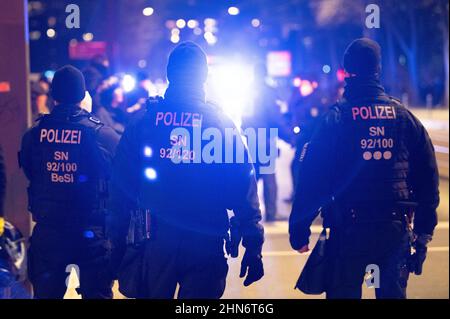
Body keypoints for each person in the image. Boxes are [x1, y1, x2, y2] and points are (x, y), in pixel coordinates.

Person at [108, 42, 264, 299]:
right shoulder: (220, 123)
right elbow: (243, 185)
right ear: (203, 76)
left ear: (170, 74)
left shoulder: (144, 123)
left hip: (155, 241)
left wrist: (114, 248)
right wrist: (253, 244)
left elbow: (120, 191)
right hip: (206, 239)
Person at [289, 38, 440, 299]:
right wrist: (424, 233)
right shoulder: (403, 117)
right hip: (395, 229)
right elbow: (428, 176)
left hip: (348, 230)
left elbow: (312, 177)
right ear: (378, 70)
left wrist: (299, 229)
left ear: (347, 70)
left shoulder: (336, 118)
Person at [19, 65, 120, 299]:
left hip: (49, 233)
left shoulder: (34, 134)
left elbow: (30, 170)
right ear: (82, 95)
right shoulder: (101, 134)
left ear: (53, 95)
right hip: (91, 234)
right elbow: (120, 175)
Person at [241, 63, 292, 222]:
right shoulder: (267, 91)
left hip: (251, 136)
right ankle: (271, 213)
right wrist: (290, 137)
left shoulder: (248, 90)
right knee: (269, 177)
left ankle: (247, 212)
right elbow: (274, 117)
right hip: (264, 136)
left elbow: (244, 115)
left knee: (252, 176)